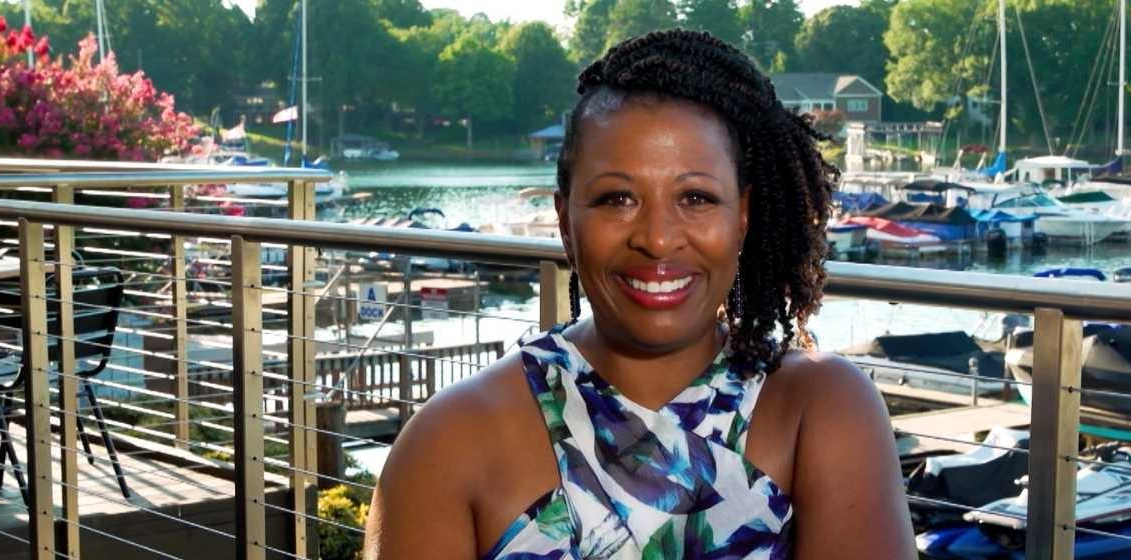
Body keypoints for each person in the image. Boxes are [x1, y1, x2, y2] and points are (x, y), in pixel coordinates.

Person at [365, 29, 915, 559]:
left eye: (696, 197)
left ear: (742, 218)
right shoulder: (446, 443)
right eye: (616, 199)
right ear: (565, 222)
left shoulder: (823, 411)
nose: (656, 238)